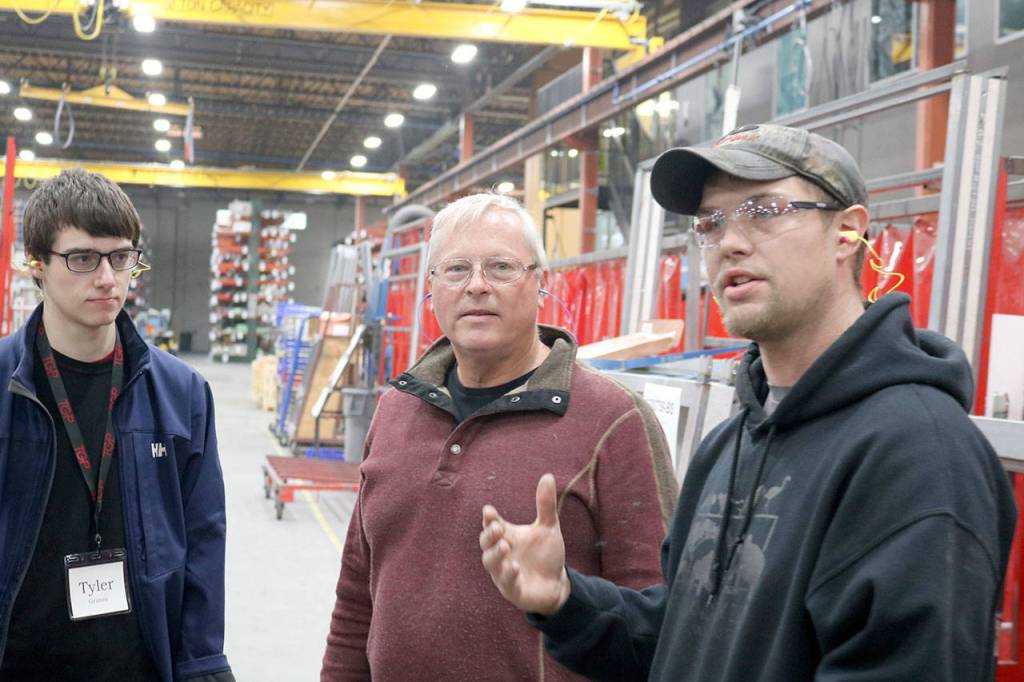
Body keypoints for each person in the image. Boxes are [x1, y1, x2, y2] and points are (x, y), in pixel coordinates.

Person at [480, 124, 1017, 681]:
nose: (731, 241)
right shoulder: (730, 443)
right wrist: (565, 600)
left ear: (847, 233)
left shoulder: (919, 455)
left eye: (763, 210)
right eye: (711, 222)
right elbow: (685, 639)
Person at [320, 193, 679, 681]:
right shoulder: (396, 411)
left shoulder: (613, 420)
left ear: (541, 284)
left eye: (501, 267)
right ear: (431, 288)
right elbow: (357, 597)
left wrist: (563, 592)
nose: (476, 286)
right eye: (456, 269)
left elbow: (661, 620)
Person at [0, 169, 234, 681]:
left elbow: (203, 538)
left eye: (121, 257)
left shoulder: (181, 393)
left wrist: (202, 663)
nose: (107, 278)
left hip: (138, 666)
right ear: (37, 266)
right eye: (82, 258)